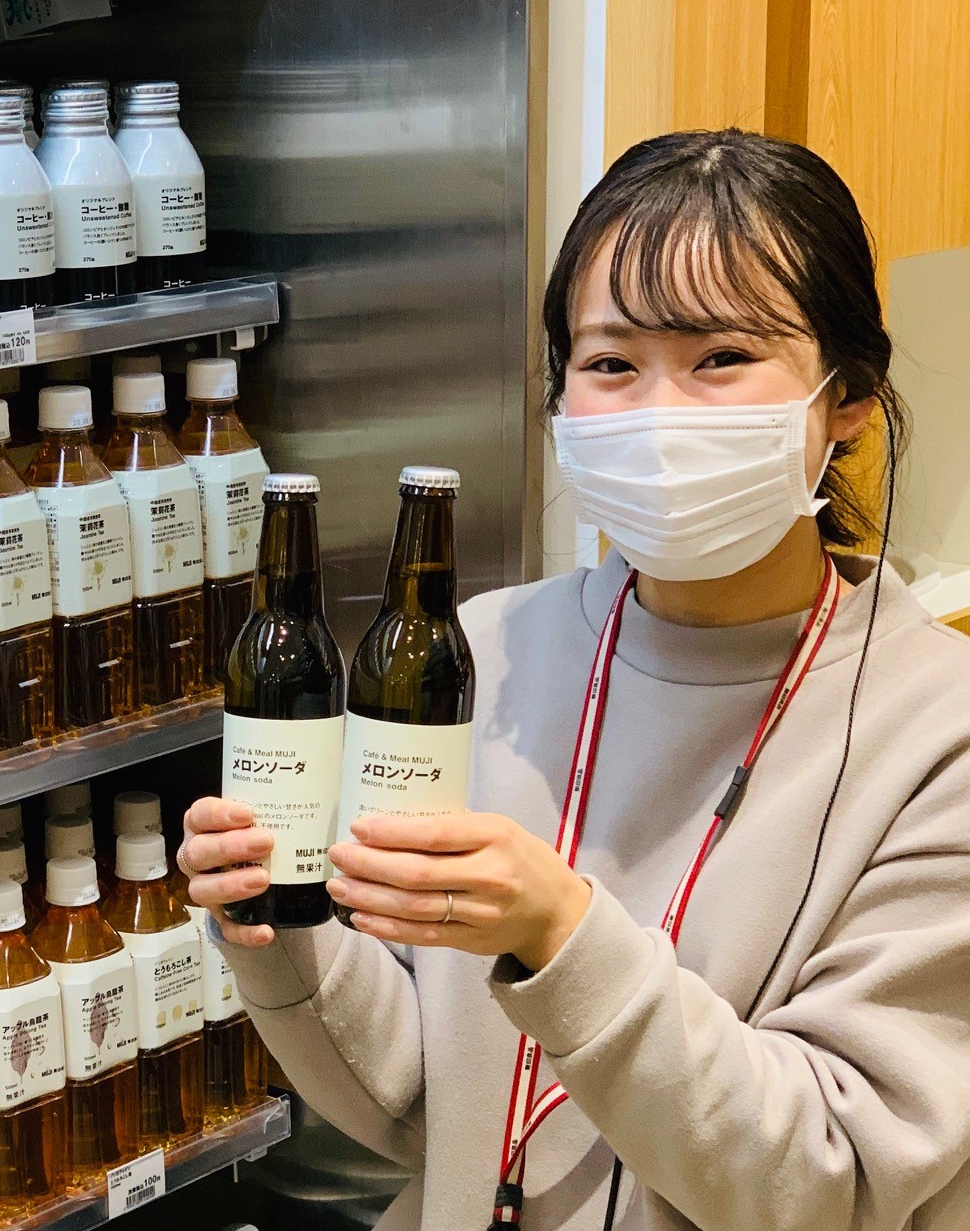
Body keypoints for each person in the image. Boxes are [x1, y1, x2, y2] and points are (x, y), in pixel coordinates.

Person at [179, 130, 970, 1231]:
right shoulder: (489, 654)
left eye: (721, 357)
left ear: (849, 397)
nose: (659, 414)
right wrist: (279, 918)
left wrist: (559, 933)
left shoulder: (938, 735)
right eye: (610, 364)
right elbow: (425, 1107)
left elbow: (830, 1180)